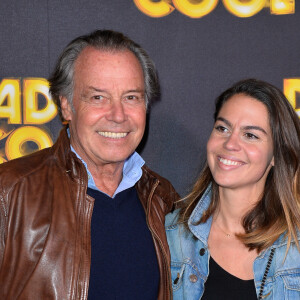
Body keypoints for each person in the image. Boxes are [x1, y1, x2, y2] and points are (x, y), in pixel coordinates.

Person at [0, 30, 179, 300]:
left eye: (131, 97)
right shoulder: (9, 191)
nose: (118, 116)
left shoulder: (162, 199)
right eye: (98, 97)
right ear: (66, 106)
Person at [166, 79, 300, 299]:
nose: (230, 144)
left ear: (276, 154)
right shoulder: (170, 236)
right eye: (223, 128)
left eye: (250, 135)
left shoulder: (295, 245)